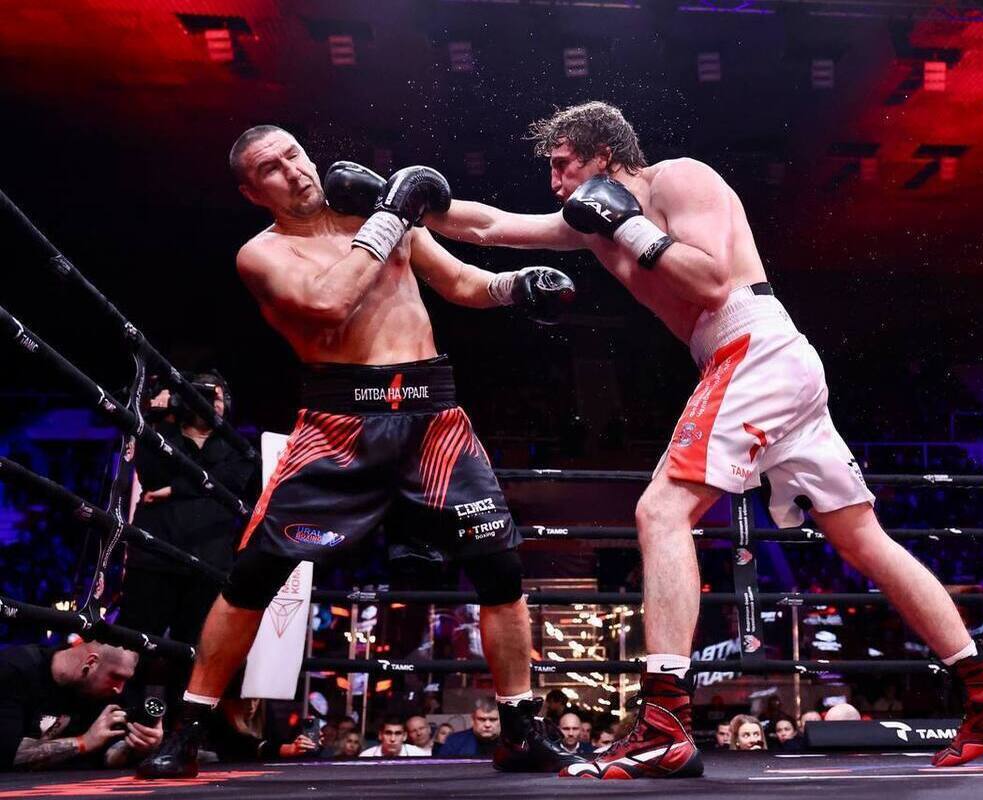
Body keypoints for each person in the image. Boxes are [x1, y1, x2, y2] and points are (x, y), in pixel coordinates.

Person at [424, 99, 983, 778]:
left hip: (752, 344)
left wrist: (630, 223)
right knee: (861, 538)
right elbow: (493, 225)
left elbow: (713, 281)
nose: (554, 181)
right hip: (756, 361)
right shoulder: (590, 222)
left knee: (661, 511)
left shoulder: (679, 180)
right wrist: (414, 206)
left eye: (563, 164)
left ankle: (663, 722)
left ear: (602, 154)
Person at [137, 125, 580, 780]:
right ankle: (189, 730)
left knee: (500, 570)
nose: (292, 171)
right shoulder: (262, 254)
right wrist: (391, 214)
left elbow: (460, 282)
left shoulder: (380, 214)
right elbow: (329, 303)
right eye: (270, 168)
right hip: (338, 425)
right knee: (253, 576)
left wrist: (518, 285)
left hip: (432, 418)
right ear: (251, 191)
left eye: (294, 154)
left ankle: (520, 729)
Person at [122, 371, 256, 725]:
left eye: (217, 396)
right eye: (201, 395)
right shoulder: (160, 434)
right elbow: (150, 474)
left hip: (208, 565)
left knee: (194, 653)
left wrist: (174, 490)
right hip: (154, 559)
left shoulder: (238, 448)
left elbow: (230, 483)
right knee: (133, 646)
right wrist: (162, 416)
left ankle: (182, 732)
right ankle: (120, 723)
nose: (210, 402)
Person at [0, 641, 162, 770]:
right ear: (91, 663)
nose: (119, 689)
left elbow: (107, 756)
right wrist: (84, 742)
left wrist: (139, 745)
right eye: (116, 677)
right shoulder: (15, 669)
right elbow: (7, 754)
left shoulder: (99, 691)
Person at [360, 716, 425, 758]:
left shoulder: (418, 755)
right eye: (388, 733)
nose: (392, 739)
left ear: (405, 736)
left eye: (398, 733)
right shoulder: (366, 756)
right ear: (380, 735)